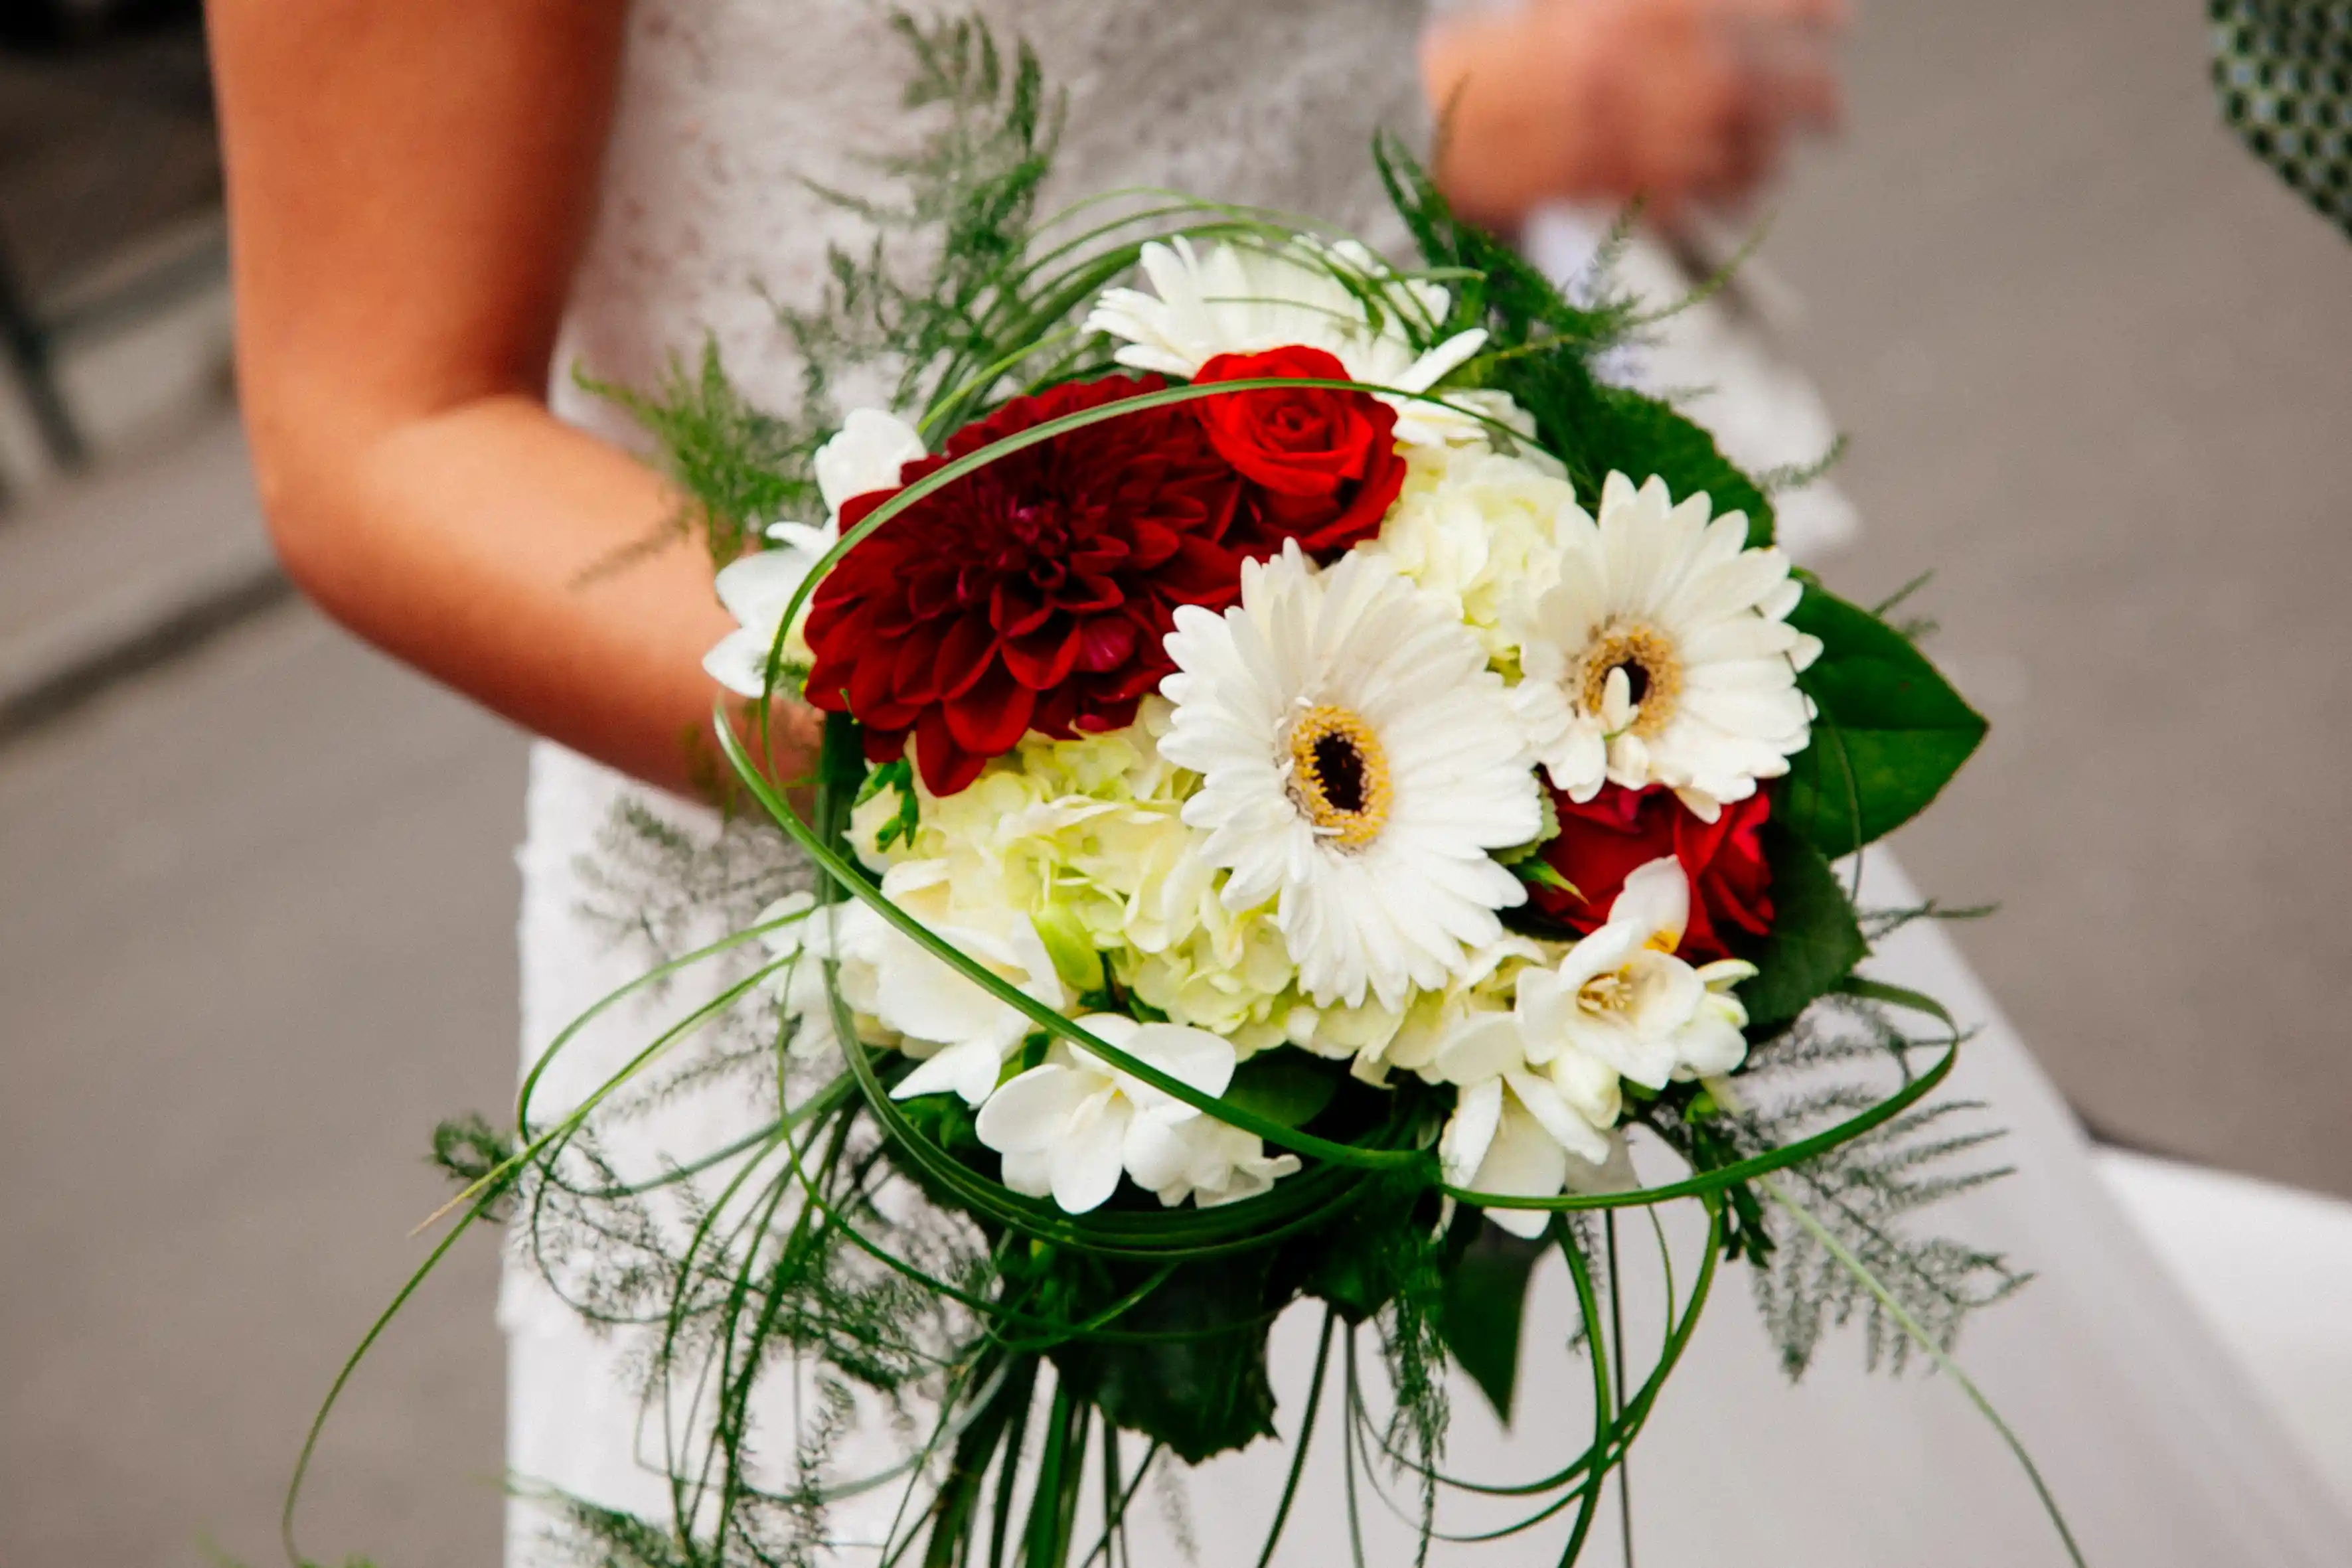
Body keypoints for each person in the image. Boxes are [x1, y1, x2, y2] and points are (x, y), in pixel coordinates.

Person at [208, 3, 2348, 1564]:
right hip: (943, 911)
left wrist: (1473, 101)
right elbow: (374, 430)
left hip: (1486, 732)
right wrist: (1090, 784)